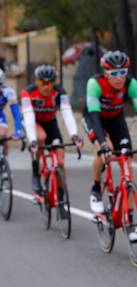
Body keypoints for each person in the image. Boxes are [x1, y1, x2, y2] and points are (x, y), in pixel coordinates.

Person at [83, 51, 137, 243]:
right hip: (94, 118)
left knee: (127, 162)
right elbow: (95, 119)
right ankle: (96, 188)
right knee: (104, 151)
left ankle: (130, 222)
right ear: (105, 73)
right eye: (114, 73)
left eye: (122, 72)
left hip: (115, 119)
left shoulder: (131, 84)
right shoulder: (94, 83)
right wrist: (103, 145)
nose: (119, 77)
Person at [21, 64, 82, 198]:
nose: (47, 86)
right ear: (37, 81)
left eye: (50, 83)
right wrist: (32, 140)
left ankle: (60, 195)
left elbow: (67, 114)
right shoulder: (28, 92)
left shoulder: (60, 92)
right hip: (33, 121)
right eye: (43, 83)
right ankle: (36, 172)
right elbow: (29, 116)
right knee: (41, 138)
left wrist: (74, 135)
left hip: (50, 122)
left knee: (60, 161)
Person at [0, 68, 23, 150]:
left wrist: (18, 131)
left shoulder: (8, 91)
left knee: (2, 137)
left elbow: (16, 113)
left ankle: (2, 159)